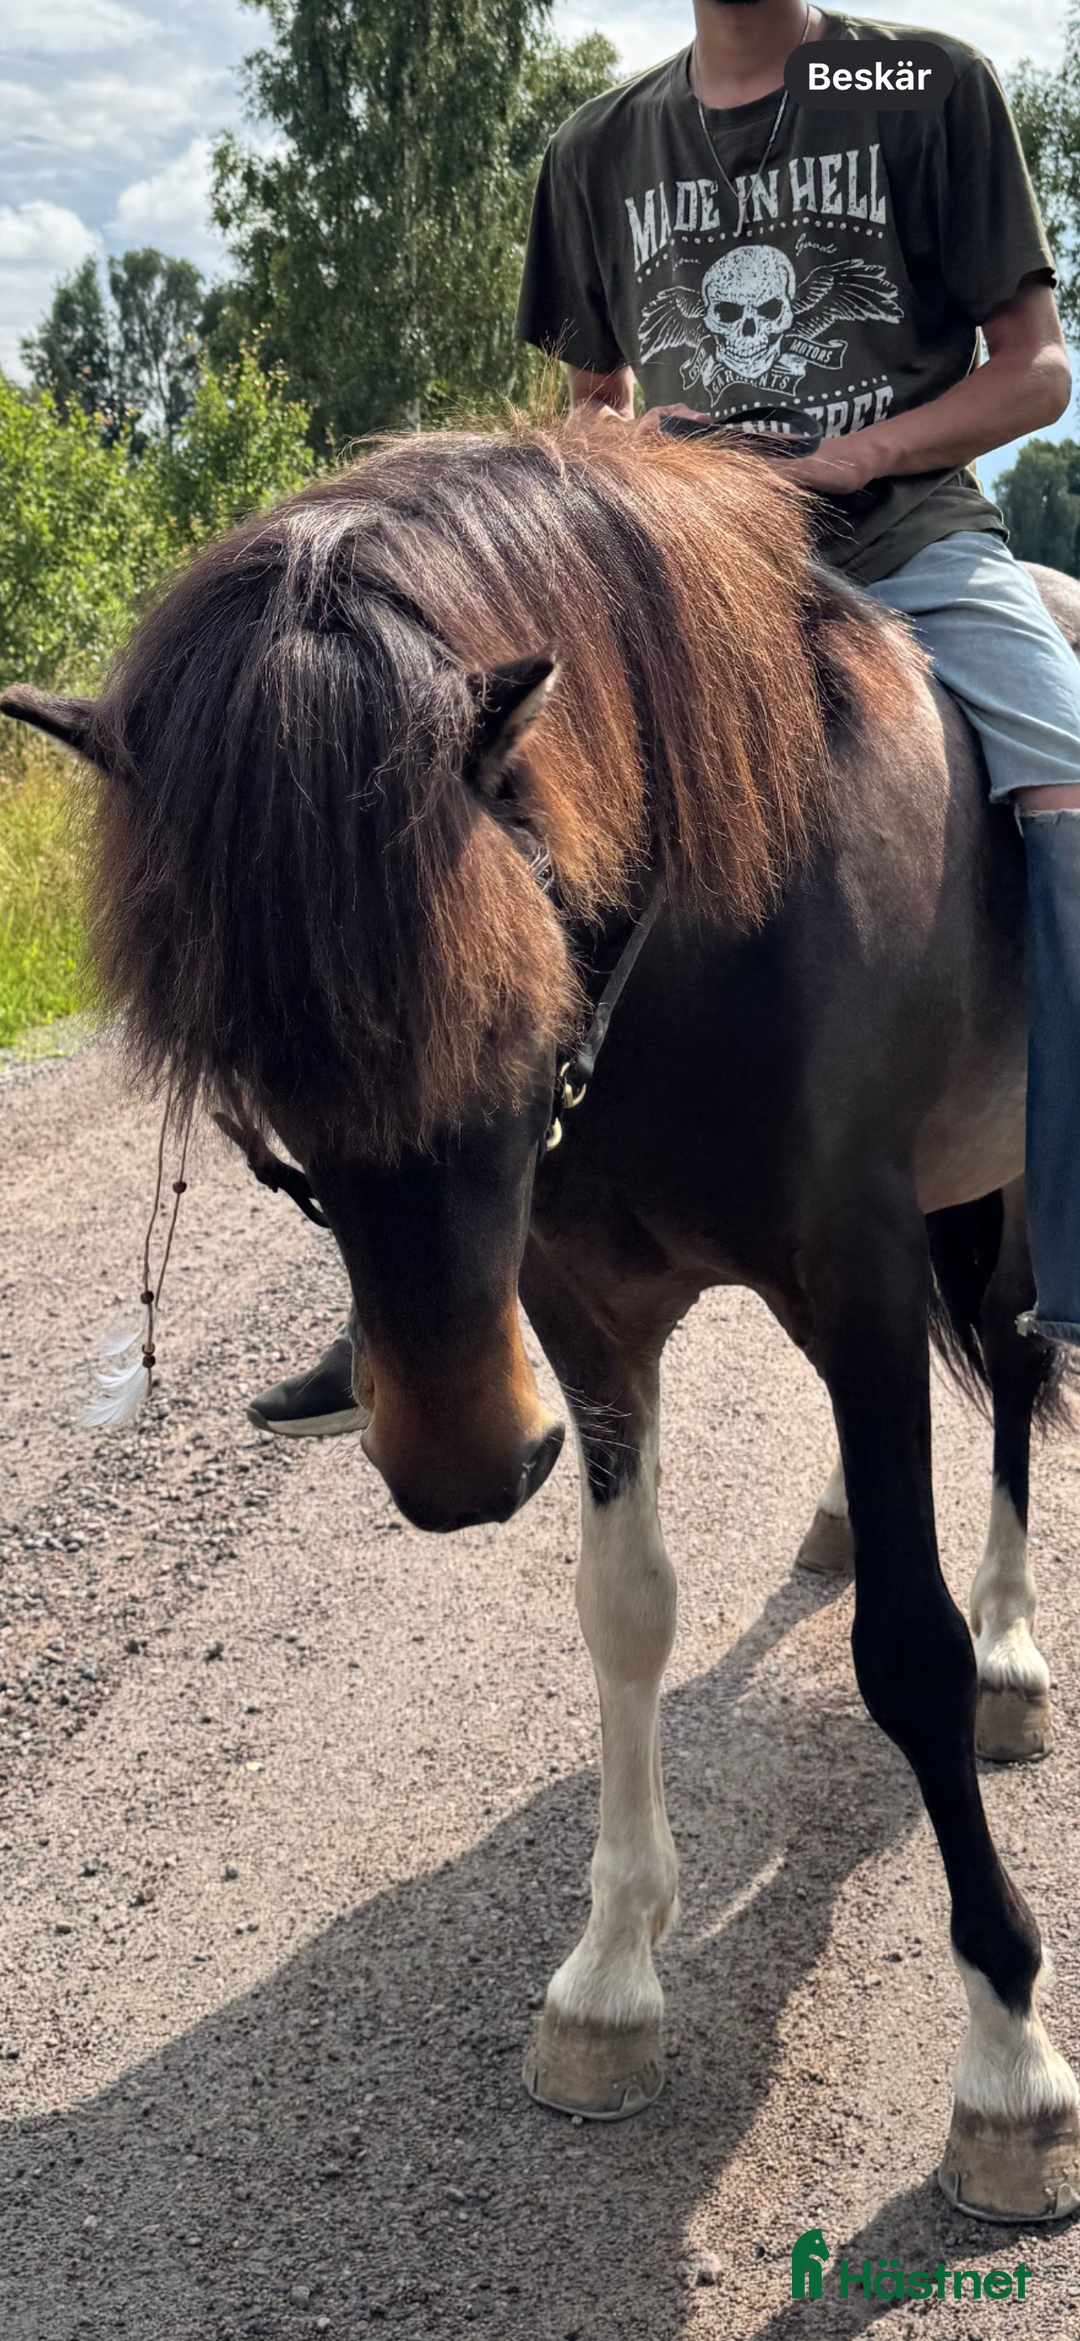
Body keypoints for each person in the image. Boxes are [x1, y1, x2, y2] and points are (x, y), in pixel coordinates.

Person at [249, 0, 1080, 1437]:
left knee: (1066, 768)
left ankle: (1063, 1209)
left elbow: (1039, 369)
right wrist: (630, 467)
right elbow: (590, 408)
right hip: (677, 580)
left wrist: (853, 458)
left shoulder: (925, 84)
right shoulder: (600, 145)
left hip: (909, 542)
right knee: (450, 797)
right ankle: (408, 1299)